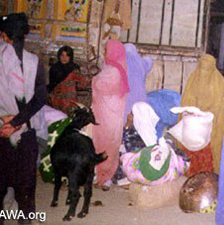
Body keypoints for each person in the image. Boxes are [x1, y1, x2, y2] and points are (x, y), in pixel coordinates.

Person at [0, 13, 47, 224]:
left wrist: (6, 121)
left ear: (3, 35)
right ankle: (25, 219)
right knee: (26, 183)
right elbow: (39, 99)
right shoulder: (35, 62)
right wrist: (17, 123)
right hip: (24, 130)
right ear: (25, 35)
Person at [180, 54, 224, 175]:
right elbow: (187, 100)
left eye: (207, 70)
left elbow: (221, 106)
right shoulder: (194, 78)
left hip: (211, 128)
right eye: (202, 69)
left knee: (209, 157)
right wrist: (193, 113)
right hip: (193, 127)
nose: (204, 73)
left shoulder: (219, 83)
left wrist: (207, 116)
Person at [91, 40, 129, 189]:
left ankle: (104, 176)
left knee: (105, 143)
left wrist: (94, 79)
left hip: (108, 114)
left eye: (107, 50)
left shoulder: (113, 70)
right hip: (111, 112)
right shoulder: (118, 67)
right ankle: (105, 174)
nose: (106, 52)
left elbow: (102, 86)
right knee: (109, 143)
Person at [48, 46, 89, 114]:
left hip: (71, 93)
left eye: (67, 56)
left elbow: (78, 83)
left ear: (70, 57)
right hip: (57, 93)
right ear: (59, 56)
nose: (64, 58)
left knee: (70, 85)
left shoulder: (75, 67)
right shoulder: (54, 68)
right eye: (62, 55)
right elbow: (52, 84)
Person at [123, 43, 153, 124]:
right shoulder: (141, 64)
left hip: (126, 99)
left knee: (126, 123)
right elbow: (149, 61)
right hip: (140, 99)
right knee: (140, 122)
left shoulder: (121, 65)